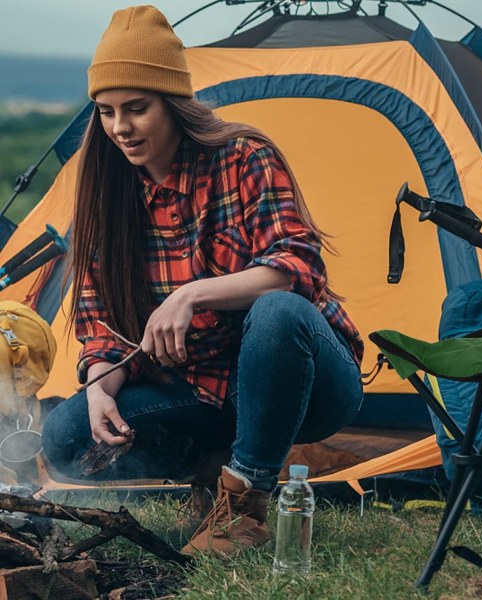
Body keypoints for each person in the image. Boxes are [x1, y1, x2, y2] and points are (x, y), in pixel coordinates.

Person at [41, 5, 364, 555]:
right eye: (107, 111)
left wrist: (192, 294)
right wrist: (100, 386)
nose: (121, 127)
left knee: (277, 313)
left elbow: (298, 270)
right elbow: (100, 325)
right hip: (197, 392)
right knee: (66, 438)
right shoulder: (106, 193)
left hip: (303, 381)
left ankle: (246, 503)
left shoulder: (244, 157)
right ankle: (216, 469)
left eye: (137, 109)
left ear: (173, 103)